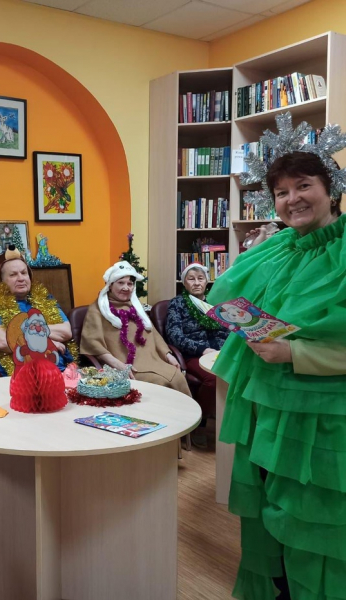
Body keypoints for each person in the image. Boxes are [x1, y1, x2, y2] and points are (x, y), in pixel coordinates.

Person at [208, 146, 346, 599]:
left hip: (324, 422)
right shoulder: (277, 248)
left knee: (318, 526)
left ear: (331, 189)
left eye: (304, 185)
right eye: (282, 192)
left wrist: (295, 354)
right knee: (273, 518)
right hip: (266, 412)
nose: (292, 199)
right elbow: (234, 301)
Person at [80, 260, 191, 395]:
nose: (126, 288)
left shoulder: (136, 307)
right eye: (120, 283)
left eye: (130, 284)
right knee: (161, 382)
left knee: (178, 376)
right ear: (110, 285)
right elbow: (93, 345)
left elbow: (153, 334)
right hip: (124, 365)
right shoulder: (97, 309)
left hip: (153, 361)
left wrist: (168, 355)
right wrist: (119, 366)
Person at [0, 245, 76, 376]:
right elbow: (3, 341)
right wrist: (47, 343)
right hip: (19, 377)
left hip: (59, 372)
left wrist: (27, 333)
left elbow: (66, 332)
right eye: (13, 275)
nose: (21, 278)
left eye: (24, 273)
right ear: (1, 281)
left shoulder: (45, 299)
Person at [166, 262, 230, 445]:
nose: (196, 283)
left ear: (206, 282)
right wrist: (203, 349)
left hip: (219, 352)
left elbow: (227, 330)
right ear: (184, 283)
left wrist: (225, 348)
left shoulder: (215, 302)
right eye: (191, 279)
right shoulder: (177, 304)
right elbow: (175, 336)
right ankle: (199, 423)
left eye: (200, 278)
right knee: (214, 379)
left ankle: (229, 420)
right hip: (193, 355)